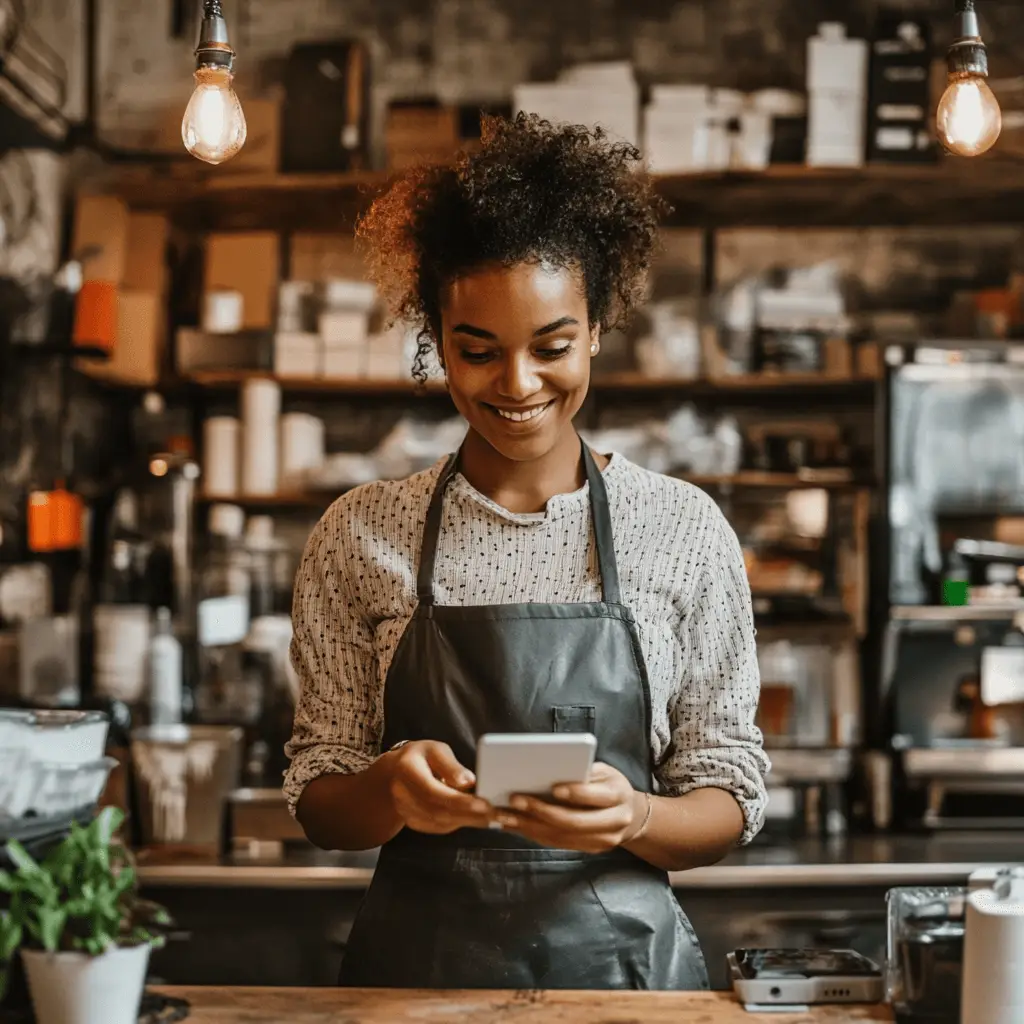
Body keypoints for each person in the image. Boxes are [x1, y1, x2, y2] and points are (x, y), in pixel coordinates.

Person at [285, 113, 769, 990]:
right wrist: (387, 791)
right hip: (419, 987)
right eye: (478, 351)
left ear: (596, 328)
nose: (517, 385)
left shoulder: (683, 527)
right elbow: (320, 797)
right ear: (436, 336)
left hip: (626, 988)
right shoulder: (360, 533)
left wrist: (632, 817)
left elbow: (728, 796)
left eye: (551, 346)